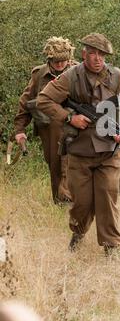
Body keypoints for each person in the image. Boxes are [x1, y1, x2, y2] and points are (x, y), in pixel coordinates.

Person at [36, 33, 120, 255]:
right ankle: (78, 233)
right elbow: (44, 100)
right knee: (81, 202)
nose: (97, 58)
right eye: (92, 53)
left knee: (108, 197)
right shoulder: (71, 76)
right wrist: (69, 117)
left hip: (108, 151)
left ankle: (111, 248)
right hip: (79, 150)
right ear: (84, 54)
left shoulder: (117, 77)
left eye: (101, 54)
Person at [14, 36, 77, 204]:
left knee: (73, 162)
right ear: (49, 59)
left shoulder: (78, 72)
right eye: (55, 61)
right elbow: (25, 103)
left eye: (63, 61)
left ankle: (73, 203)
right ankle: (60, 203)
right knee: (55, 165)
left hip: (76, 125)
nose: (59, 64)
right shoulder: (39, 74)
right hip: (49, 128)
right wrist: (20, 130)